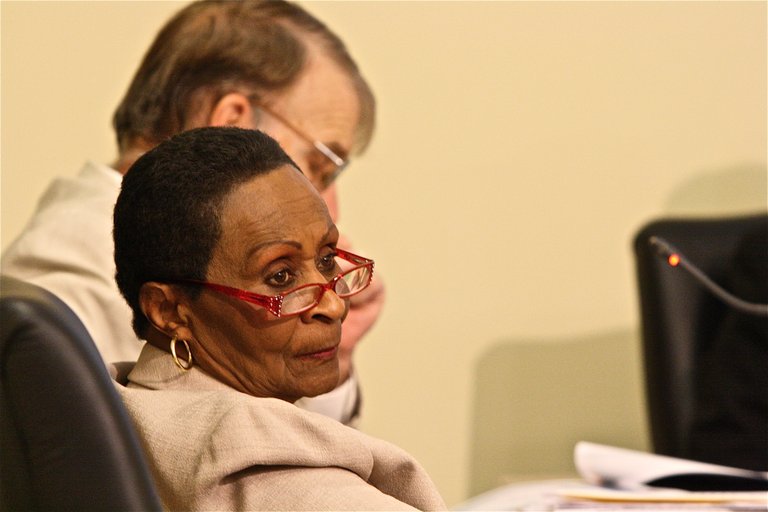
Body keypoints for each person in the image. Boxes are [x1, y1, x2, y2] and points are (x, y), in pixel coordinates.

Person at [0, 0, 383, 424]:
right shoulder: (74, 285)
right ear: (232, 123)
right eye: (320, 167)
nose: (331, 202)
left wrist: (332, 353)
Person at [111, 126, 444, 510]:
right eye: (280, 277)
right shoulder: (264, 471)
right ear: (169, 310)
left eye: (326, 259)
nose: (333, 306)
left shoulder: (116, 407)